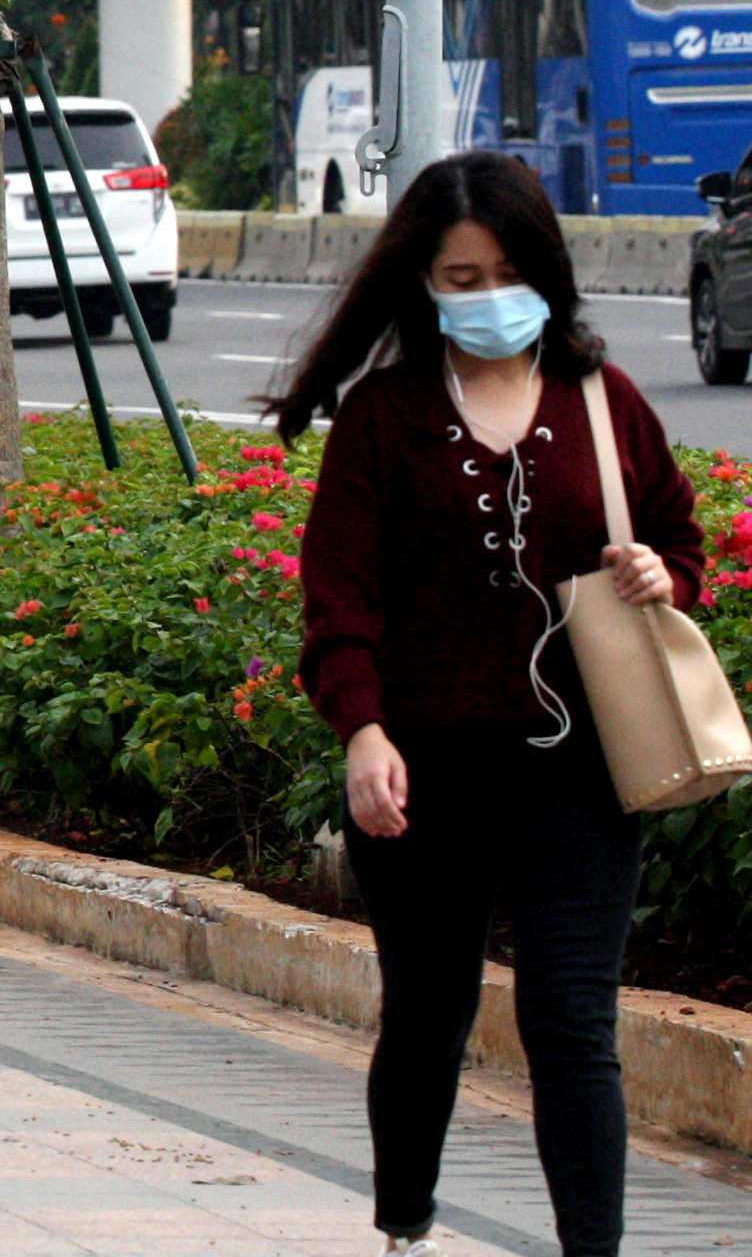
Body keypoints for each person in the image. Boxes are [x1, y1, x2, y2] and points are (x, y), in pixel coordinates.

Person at [286, 150, 703, 1257]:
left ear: (549, 272)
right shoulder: (385, 417)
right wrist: (364, 730)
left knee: (573, 1023)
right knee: (429, 1019)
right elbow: (340, 599)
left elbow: (678, 536)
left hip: (580, 773)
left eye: (507, 271)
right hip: (427, 770)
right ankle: (406, 1226)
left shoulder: (603, 403)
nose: (487, 296)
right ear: (424, 282)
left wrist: (663, 575)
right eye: (461, 277)